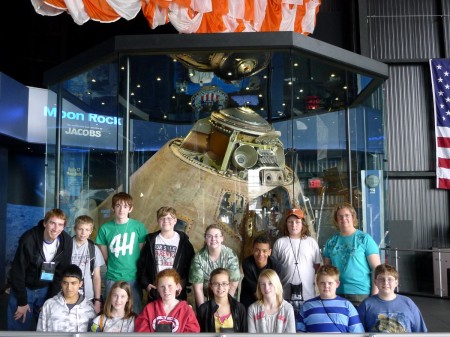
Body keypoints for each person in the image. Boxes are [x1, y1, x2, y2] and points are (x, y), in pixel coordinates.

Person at [7, 208, 74, 331]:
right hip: (23, 288)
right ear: (45, 223)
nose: (55, 228)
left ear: (64, 227)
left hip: (46, 289)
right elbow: (18, 271)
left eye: (60, 225)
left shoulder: (67, 242)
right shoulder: (28, 239)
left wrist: (50, 300)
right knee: (19, 329)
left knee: (46, 329)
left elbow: (60, 274)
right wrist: (22, 301)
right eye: (52, 223)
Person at [95, 192, 147, 314]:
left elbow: (141, 254)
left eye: (125, 206)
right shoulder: (105, 229)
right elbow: (105, 257)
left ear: (131, 208)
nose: (121, 209)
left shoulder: (139, 227)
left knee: (135, 313)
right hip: (112, 277)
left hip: (133, 277)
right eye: (118, 206)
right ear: (113, 208)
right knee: (110, 313)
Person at [323, 202, 381, 306]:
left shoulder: (364, 239)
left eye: (347, 215)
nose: (343, 218)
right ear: (336, 220)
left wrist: (375, 295)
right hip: (336, 292)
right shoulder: (331, 242)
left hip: (360, 293)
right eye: (340, 216)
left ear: (353, 217)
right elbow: (327, 271)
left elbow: (377, 268)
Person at [137, 206, 195, 302]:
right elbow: (142, 265)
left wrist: (182, 283)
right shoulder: (151, 241)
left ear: (175, 221)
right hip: (156, 291)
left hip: (176, 291)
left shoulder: (184, 242)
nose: (165, 221)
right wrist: (146, 284)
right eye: (162, 218)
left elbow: (191, 266)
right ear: (158, 221)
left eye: (169, 218)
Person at [271, 208, 321, 315]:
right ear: (286, 224)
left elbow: (317, 267)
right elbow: (273, 269)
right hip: (284, 297)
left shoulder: (311, 243)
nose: (294, 225)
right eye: (290, 222)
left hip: (308, 297)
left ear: (303, 223)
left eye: (297, 222)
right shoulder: (280, 243)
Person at [357, 264, 428, 332]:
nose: (385, 282)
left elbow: (420, 330)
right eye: (381, 279)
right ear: (375, 282)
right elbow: (358, 331)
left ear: (396, 283)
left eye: (390, 279)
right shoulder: (366, 304)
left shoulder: (408, 303)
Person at [296, 265, 365, 333]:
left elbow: (357, 333)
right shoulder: (307, 306)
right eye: (322, 283)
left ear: (337, 284)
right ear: (317, 284)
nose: (326, 286)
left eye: (330, 283)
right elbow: (300, 332)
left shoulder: (347, 306)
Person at [189, 224, 240, 308]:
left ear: (222, 238)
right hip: (206, 299)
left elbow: (234, 283)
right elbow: (198, 289)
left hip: (228, 297)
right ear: (205, 238)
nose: (213, 239)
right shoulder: (198, 259)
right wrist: (203, 311)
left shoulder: (230, 255)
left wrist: (226, 305)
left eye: (217, 236)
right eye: (209, 236)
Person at [134, 268, 200, 332]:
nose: (166, 290)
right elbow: (141, 331)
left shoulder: (186, 310)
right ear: (157, 289)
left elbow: (192, 333)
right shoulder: (149, 309)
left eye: (170, 286)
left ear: (177, 286)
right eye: (162, 286)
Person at [36, 264, 96, 332]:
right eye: (65, 283)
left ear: (80, 284)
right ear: (61, 283)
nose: (69, 287)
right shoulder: (49, 305)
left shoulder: (89, 308)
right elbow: (40, 332)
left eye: (73, 283)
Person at [71, 214, 105, 313]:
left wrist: (97, 300)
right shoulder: (67, 246)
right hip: (68, 293)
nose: (83, 233)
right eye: (80, 229)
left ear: (91, 231)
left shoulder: (93, 249)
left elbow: (97, 276)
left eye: (86, 230)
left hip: (88, 296)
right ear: (75, 229)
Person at [197, 268, 247, 332]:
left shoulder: (240, 308)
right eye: (216, 284)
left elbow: (244, 334)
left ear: (229, 285)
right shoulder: (203, 309)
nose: (220, 287)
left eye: (224, 283)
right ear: (211, 286)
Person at [247, 268, 296, 333]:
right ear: (259, 287)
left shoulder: (288, 308)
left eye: (270, 283)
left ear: (276, 284)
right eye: (263, 284)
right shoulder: (252, 309)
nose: (266, 288)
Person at [241, 234, 282, 309]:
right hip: (250, 295)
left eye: (264, 251)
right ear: (252, 250)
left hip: (270, 295)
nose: (260, 254)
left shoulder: (276, 266)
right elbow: (253, 288)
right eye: (257, 250)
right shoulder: (247, 264)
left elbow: (277, 288)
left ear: (269, 252)